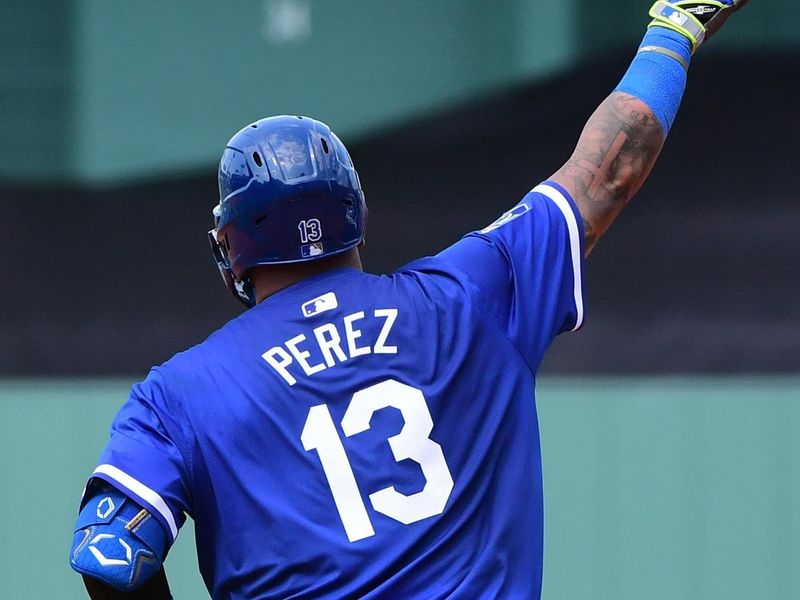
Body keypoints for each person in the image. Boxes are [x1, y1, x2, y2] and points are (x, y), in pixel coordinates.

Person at [69, 1, 747, 598]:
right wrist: (674, 29)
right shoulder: (467, 296)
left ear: (231, 247)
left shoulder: (179, 394)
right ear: (355, 212)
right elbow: (608, 171)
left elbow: (109, 554)